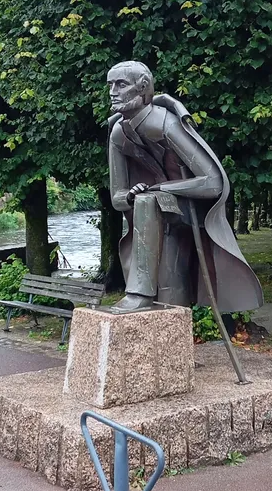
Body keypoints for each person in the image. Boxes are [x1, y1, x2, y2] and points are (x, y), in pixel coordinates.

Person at [107, 60, 263, 315]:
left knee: (149, 201)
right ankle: (162, 332)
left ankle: (138, 294)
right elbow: (117, 197)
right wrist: (131, 196)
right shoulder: (118, 133)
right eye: (110, 85)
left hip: (190, 210)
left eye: (121, 84)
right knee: (169, 291)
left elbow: (213, 182)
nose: (113, 91)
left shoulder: (165, 123)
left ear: (143, 87)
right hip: (153, 216)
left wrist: (162, 189)